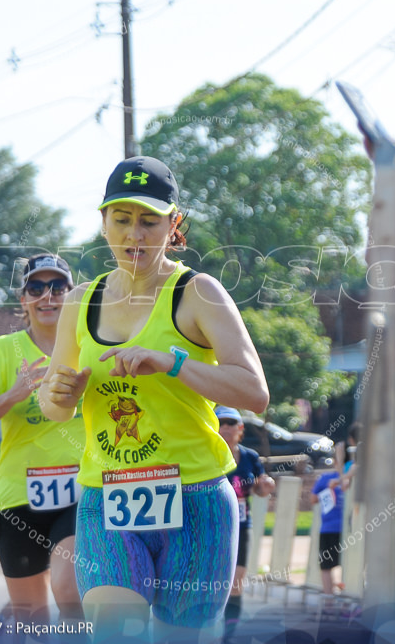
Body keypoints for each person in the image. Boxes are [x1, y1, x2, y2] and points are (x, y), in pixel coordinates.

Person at [38, 156, 269, 641]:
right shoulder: (81, 301)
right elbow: (53, 406)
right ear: (103, 224)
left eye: (149, 221)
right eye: (122, 220)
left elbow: (254, 392)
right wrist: (60, 393)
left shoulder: (198, 293)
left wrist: (173, 362)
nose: (135, 235)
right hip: (107, 496)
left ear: (173, 224)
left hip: (198, 497)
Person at [0, 253, 86, 623]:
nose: (47, 296)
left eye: (57, 287)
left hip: (81, 494)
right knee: (32, 620)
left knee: (70, 591)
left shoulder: (87, 346)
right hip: (17, 500)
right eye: (36, 287)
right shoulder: (4, 351)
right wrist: (13, 395)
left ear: (71, 294)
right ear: (23, 299)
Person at [215, 405, 274, 635]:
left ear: (241, 429)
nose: (227, 428)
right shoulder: (208, 454)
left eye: (232, 423)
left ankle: (228, 633)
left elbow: (260, 487)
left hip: (240, 525)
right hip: (213, 525)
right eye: (222, 423)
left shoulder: (250, 456)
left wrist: (265, 486)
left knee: (237, 581)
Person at [311, 468, 345, 597]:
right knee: (350, 564)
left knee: (326, 565)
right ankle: (340, 596)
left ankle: (329, 601)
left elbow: (313, 499)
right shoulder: (355, 475)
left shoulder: (325, 478)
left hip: (330, 528)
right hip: (347, 528)